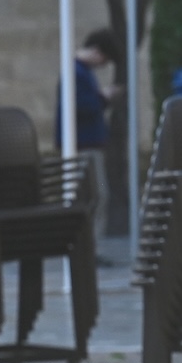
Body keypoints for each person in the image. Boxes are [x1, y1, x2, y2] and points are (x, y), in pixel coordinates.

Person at [56, 27, 116, 251]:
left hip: (84, 143)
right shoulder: (77, 73)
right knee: (97, 196)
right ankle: (89, 249)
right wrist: (103, 98)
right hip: (84, 144)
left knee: (91, 197)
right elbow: (80, 107)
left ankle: (88, 248)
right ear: (97, 51)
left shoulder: (78, 71)